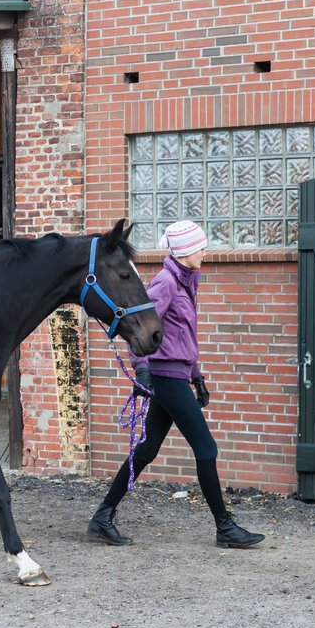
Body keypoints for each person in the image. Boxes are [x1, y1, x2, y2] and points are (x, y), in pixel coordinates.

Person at [88, 219, 265, 549]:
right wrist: (141, 369)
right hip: (164, 378)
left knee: (146, 450)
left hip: (175, 375)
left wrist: (195, 374)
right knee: (206, 448)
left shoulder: (186, 281)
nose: (205, 251)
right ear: (186, 251)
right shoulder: (166, 283)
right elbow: (138, 327)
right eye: (201, 246)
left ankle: (102, 517)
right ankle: (225, 528)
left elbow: (181, 334)